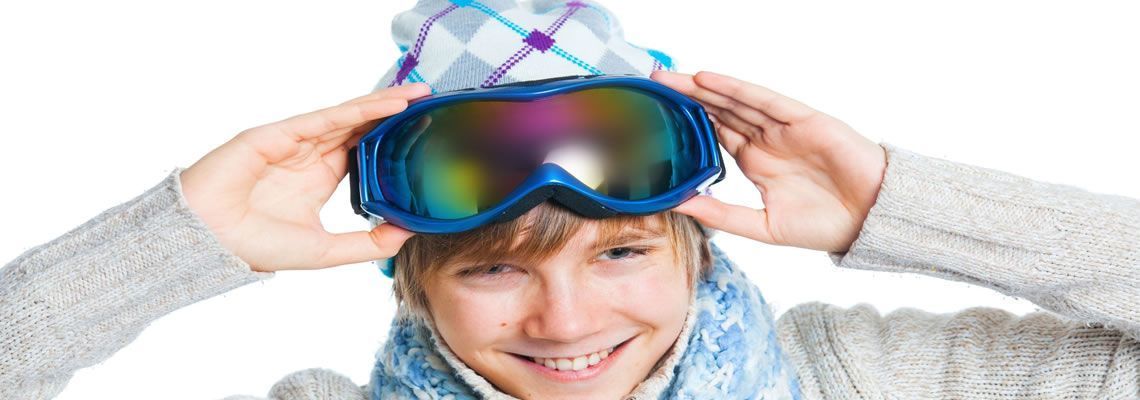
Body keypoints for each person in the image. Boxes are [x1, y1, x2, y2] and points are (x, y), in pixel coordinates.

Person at [2, 0, 1137, 399]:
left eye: (621, 253)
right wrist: (183, 240)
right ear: (412, 277)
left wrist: (899, 202)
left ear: (694, 243)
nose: (566, 320)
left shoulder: (867, 378)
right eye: (495, 266)